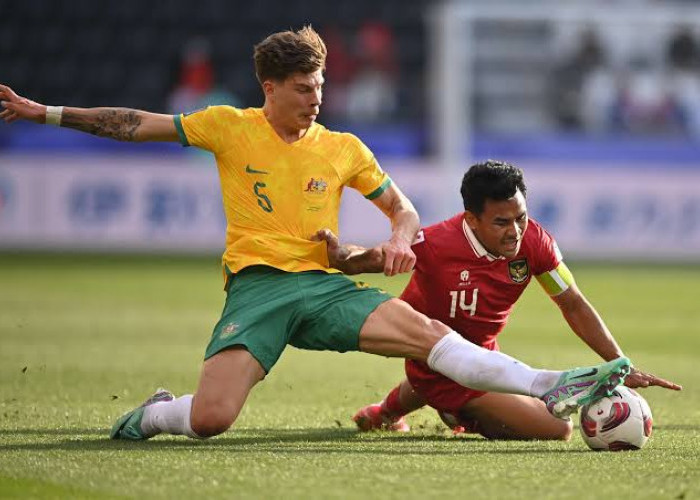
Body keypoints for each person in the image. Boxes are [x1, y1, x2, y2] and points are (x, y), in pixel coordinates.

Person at [0, 27, 632, 442]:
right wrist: (44, 112)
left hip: (325, 288)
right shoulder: (227, 126)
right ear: (269, 88)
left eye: (321, 87)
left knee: (430, 334)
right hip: (260, 290)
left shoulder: (343, 146)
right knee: (211, 419)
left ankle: (547, 383)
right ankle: (155, 413)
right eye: (303, 89)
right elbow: (135, 124)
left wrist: (397, 237)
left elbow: (403, 208)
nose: (315, 99)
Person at [326, 161, 681, 439]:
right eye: (501, 222)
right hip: (435, 362)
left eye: (521, 218)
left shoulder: (536, 243)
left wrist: (620, 362)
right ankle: (457, 413)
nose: (515, 231)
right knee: (558, 429)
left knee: (509, 383)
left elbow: (572, 301)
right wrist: (343, 255)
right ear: (472, 219)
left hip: (485, 357)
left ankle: (385, 412)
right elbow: (375, 256)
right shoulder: (436, 244)